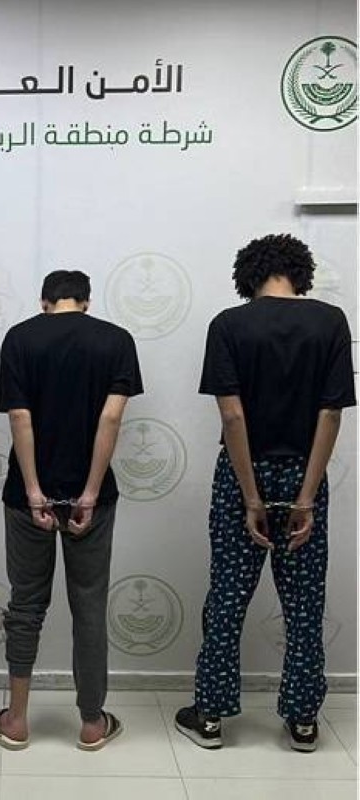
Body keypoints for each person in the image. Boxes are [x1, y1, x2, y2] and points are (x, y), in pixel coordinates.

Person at [175, 234, 356, 753]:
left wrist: (251, 497)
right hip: (304, 472)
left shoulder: (228, 325)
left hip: (243, 474)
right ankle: (303, 721)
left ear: (247, 276)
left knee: (227, 598)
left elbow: (233, 416)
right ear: (300, 272)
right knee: (304, 603)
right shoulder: (330, 321)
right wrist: (306, 496)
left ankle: (211, 716)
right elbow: (330, 413)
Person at [0, 269, 143, 751]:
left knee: (26, 605)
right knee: (89, 605)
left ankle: (16, 721)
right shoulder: (116, 340)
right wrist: (89, 492)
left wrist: (34, 490)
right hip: (93, 497)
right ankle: (92, 724)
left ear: (44, 301)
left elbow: (20, 417)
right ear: (86, 302)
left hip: (25, 496)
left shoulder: (20, 337)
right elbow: (110, 418)